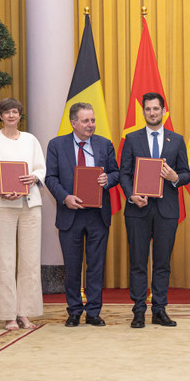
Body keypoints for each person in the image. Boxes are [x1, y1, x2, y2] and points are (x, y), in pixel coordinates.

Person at [45, 102, 119, 327]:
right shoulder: (57, 145)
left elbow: (116, 172)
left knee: (96, 266)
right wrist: (65, 197)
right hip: (70, 214)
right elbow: (50, 178)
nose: (91, 125)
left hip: (98, 215)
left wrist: (108, 180)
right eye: (86, 121)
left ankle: (94, 312)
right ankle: (74, 311)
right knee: (73, 266)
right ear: (73, 122)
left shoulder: (104, 144)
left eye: (93, 120)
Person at [120, 92, 190, 328]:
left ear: (163, 111)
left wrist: (175, 177)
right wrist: (131, 194)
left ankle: (159, 310)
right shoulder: (131, 139)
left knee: (162, 263)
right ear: (143, 112)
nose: (152, 113)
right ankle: (139, 310)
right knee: (138, 262)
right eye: (148, 109)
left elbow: (187, 173)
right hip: (138, 210)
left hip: (167, 210)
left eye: (156, 109)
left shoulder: (177, 140)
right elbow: (124, 173)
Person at [0, 98, 46, 330]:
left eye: (15, 112)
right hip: (3, 205)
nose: (11, 116)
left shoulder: (31, 139)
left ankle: (25, 313)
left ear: (20, 115)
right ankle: (8, 315)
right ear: (0, 116)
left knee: (30, 261)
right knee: (5, 261)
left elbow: (40, 167)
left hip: (30, 205)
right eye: (6, 112)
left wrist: (35, 177)